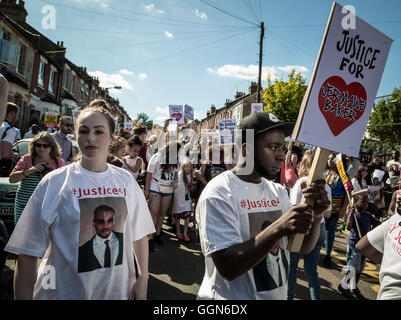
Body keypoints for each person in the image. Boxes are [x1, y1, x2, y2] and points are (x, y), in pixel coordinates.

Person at [5, 103, 155, 300]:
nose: (91, 138)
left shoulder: (126, 181)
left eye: (99, 131)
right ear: (76, 135)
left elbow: (140, 235)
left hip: (117, 293)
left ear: (111, 137)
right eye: (83, 131)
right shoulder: (55, 182)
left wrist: (142, 280)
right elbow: (27, 255)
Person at [195, 112, 329, 300]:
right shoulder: (219, 192)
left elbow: (303, 247)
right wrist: (279, 228)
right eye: (274, 147)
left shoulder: (278, 191)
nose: (282, 156)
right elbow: (228, 267)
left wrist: (316, 217)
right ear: (246, 149)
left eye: (282, 148)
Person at [287, 149, 332, 300]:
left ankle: (289, 296)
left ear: (304, 163)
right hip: (320, 229)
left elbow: (292, 207)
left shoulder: (302, 183)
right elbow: (328, 213)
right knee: (311, 271)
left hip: (302, 229)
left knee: (292, 267)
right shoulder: (327, 187)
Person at [9, 132, 66, 225]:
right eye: (38, 145)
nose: (41, 148)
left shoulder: (59, 162)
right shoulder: (27, 159)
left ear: (52, 146)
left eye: (45, 146)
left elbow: (64, 186)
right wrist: (31, 170)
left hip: (48, 207)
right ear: (33, 146)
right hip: (25, 205)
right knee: (22, 234)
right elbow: (12, 179)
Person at [338, 193, 380, 300]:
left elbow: (378, 223)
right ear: (356, 203)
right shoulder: (354, 215)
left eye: (366, 202)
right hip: (354, 246)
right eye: (363, 201)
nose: (365, 204)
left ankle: (354, 286)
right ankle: (344, 285)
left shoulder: (367, 215)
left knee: (360, 269)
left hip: (364, 247)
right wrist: (351, 214)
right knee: (352, 268)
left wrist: (372, 231)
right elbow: (348, 226)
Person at [355, 201, 401, 299]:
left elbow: (363, 246)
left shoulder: (396, 218)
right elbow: (362, 246)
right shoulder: (397, 218)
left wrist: (390, 262)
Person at [145, 142, 180, 250]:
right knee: (154, 213)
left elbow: (175, 174)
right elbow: (149, 174)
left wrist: (175, 182)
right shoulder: (157, 157)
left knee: (162, 212)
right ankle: (149, 238)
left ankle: (157, 234)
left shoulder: (176, 160)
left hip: (168, 188)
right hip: (155, 187)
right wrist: (146, 190)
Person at [78, 205, 123, 273]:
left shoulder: (126, 240)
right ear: (94, 223)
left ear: (113, 222)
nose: (105, 226)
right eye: (101, 222)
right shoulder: (82, 252)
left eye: (109, 221)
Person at [322, 153, 348, 268]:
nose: (329, 161)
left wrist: (343, 208)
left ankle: (327, 254)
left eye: (332, 159)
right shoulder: (323, 172)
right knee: (319, 228)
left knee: (330, 231)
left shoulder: (343, 175)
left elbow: (348, 193)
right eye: (328, 158)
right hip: (322, 205)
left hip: (336, 206)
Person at [173, 159, 194, 243]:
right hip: (180, 198)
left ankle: (185, 233)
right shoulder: (180, 175)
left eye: (189, 166)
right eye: (186, 166)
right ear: (183, 167)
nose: (188, 168)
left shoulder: (191, 175)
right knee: (179, 215)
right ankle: (178, 231)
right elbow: (177, 187)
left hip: (188, 198)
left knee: (187, 215)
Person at [0, 102, 20, 177]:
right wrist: (16, 155)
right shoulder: (9, 130)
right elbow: (5, 154)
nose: (17, 119)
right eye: (17, 116)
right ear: (11, 114)